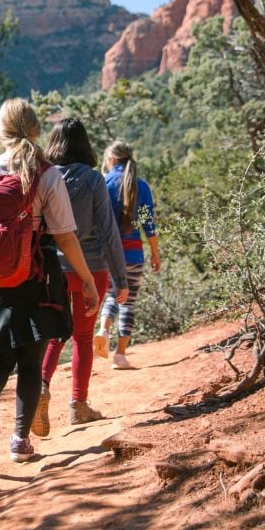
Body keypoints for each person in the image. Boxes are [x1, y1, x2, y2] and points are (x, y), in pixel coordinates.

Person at [0, 98, 99, 464]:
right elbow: (65, 235)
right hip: (37, 275)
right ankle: (19, 440)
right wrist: (86, 279)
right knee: (30, 360)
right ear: (35, 130)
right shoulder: (46, 173)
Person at [33, 118, 129, 435]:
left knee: (55, 334)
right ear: (85, 144)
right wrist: (121, 278)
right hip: (92, 269)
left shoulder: (44, 176)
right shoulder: (92, 179)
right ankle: (79, 405)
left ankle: (42, 389)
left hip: (53, 269)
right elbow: (108, 230)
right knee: (83, 338)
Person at [93, 140, 161, 370]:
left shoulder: (102, 182)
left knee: (112, 295)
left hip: (107, 254)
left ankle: (103, 329)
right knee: (128, 301)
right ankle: (120, 355)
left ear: (111, 159)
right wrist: (155, 254)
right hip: (133, 254)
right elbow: (149, 225)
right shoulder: (142, 186)